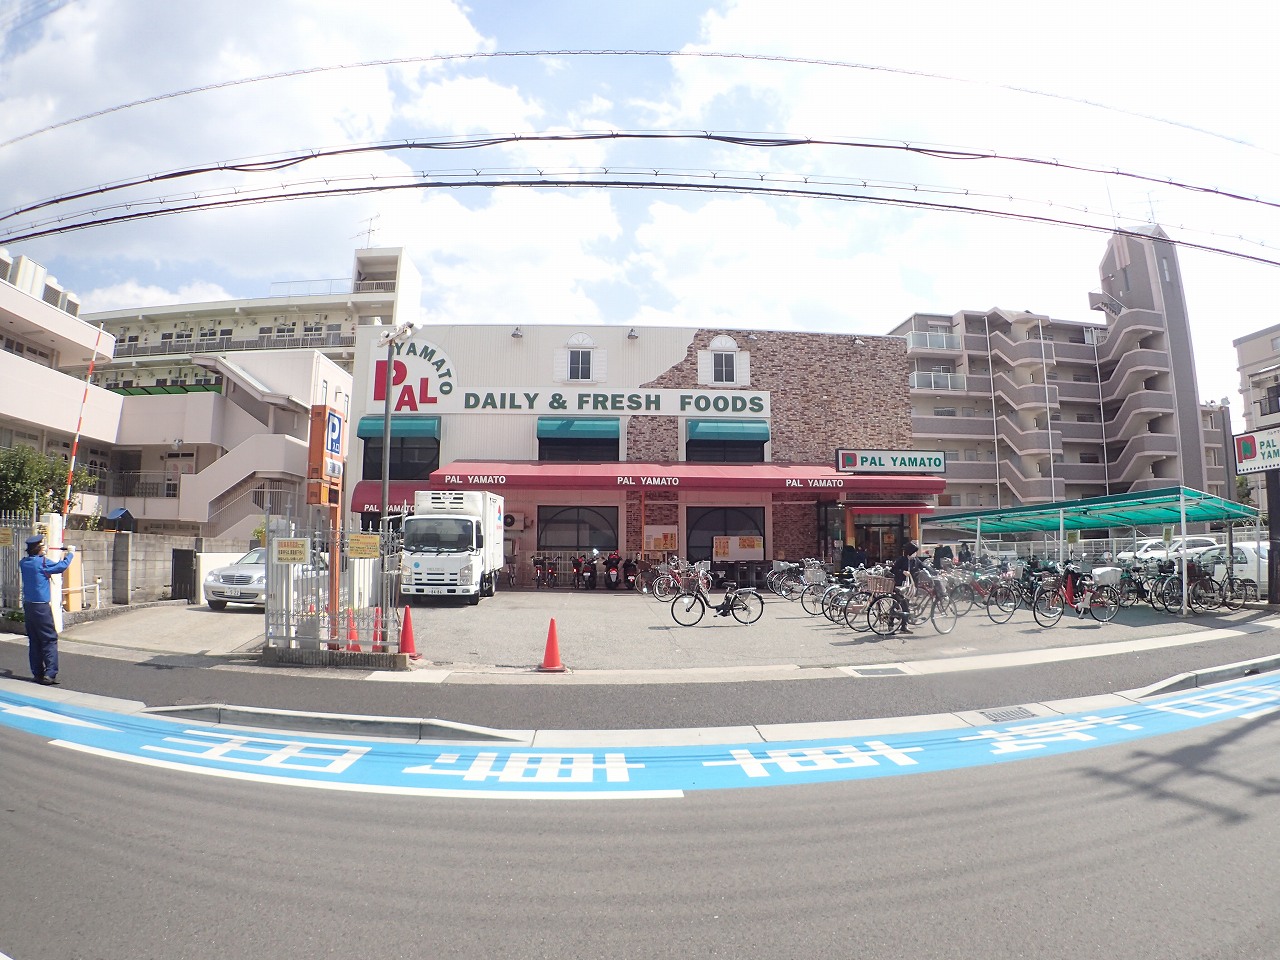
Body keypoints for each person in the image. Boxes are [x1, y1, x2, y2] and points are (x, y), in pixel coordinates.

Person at [19, 533, 75, 686]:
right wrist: (70, 554)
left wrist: (43, 553)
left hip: (29, 606)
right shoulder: (42, 563)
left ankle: (37, 673)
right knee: (49, 639)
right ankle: (50, 674)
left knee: (34, 640)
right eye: (42, 547)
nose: (44, 549)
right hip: (41, 607)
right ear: (38, 548)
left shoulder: (23, 563)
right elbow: (61, 567)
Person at [890, 540, 921, 634]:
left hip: (908, 588)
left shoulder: (915, 560)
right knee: (897, 605)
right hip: (899, 586)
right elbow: (893, 569)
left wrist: (935, 571)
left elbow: (924, 566)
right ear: (910, 552)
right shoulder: (901, 560)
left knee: (904, 606)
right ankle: (891, 624)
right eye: (914, 552)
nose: (915, 554)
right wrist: (902, 572)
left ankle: (903, 626)